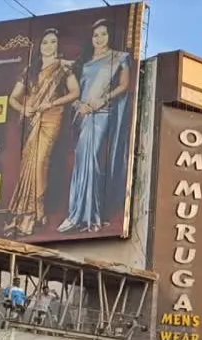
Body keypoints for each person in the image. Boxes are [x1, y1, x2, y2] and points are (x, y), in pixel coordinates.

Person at [60, 18, 133, 234]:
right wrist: (77, 104)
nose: (99, 39)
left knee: (93, 160)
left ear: (110, 36)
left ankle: (92, 216)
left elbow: (125, 85)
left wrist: (103, 100)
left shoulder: (119, 58)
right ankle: (77, 214)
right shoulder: (84, 62)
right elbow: (72, 90)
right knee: (82, 161)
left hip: (102, 113)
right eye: (96, 35)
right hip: (83, 114)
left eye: (103, 34)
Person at [6, 28, 80, 238]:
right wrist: (24, 109)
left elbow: (75, 92)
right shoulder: (30, 69)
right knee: (28, 164)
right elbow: (13, 98)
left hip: (51, 117)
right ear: (40, 46)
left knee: (40, 162)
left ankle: (34, 212)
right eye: (45, 42)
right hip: (32, 119)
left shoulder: (63, 69)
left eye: (53, 42)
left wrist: (52, 102)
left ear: (58, 45)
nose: (49, 46)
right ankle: (25, 213)